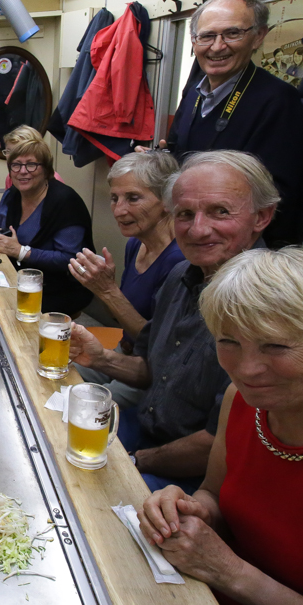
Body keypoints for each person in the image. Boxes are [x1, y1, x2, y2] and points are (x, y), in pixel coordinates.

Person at [139, 248, 303, 605]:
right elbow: (215, 495)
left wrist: (233, 573)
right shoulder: (243, 402)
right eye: (228, 342)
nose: (246, 369)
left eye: (275, 346)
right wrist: (190, 508)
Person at [68, 150, 278, 493]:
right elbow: (151, 369)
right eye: (185, 214)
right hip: (146, 429)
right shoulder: (182, 273)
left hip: (190, 475)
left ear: (262, 217)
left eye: (220, 212)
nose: (197, 229)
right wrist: (101, 358)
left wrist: (134, 459)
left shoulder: (266, 309)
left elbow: (215, 444)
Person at [145, 0, 303, 245]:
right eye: (207, 36)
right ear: (194, 40)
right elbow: (178, 152)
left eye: (232, 34)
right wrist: (157, 162)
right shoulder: (193, 92)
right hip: (190, 231)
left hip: (237, 247)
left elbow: (276, 195)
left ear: (258, 36)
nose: (217, 46)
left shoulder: (278, 100)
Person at [68, 151, 185, 413]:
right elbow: (124, 318)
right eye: (114, 198)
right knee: (58, 373)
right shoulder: (135, 244)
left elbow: (160, 347)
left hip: (152, 371)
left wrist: (108, 291)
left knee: (87, 411)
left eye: (133, 198)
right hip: (126, 349)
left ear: (168, 201)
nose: (119, 210)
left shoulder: (178, 261)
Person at [0, 138, 94, 318]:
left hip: (60, 290)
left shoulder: (65, 201)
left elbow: (70, 259)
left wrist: (22, 252)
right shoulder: (12, 195)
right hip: (22, 281)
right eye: (16, 165)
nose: (23, 171)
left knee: (4, 313)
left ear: (47, 170)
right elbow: (3, 232)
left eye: (31, 165)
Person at [1, 125, 63, 189]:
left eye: (16, 152)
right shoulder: (11, 178)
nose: (11, 156)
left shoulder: (54, 180)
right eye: (8, 151)